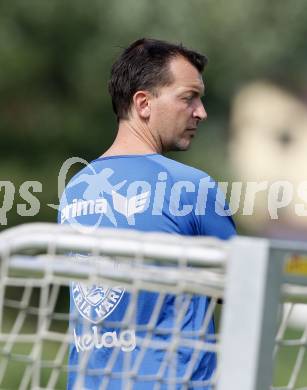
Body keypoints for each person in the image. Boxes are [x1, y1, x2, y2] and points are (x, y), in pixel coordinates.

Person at [59, 38, 236, 389]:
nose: (201, 112)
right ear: (143, 103)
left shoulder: (76, 188)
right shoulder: (191, 187)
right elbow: (248, 288)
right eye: (189, 97)